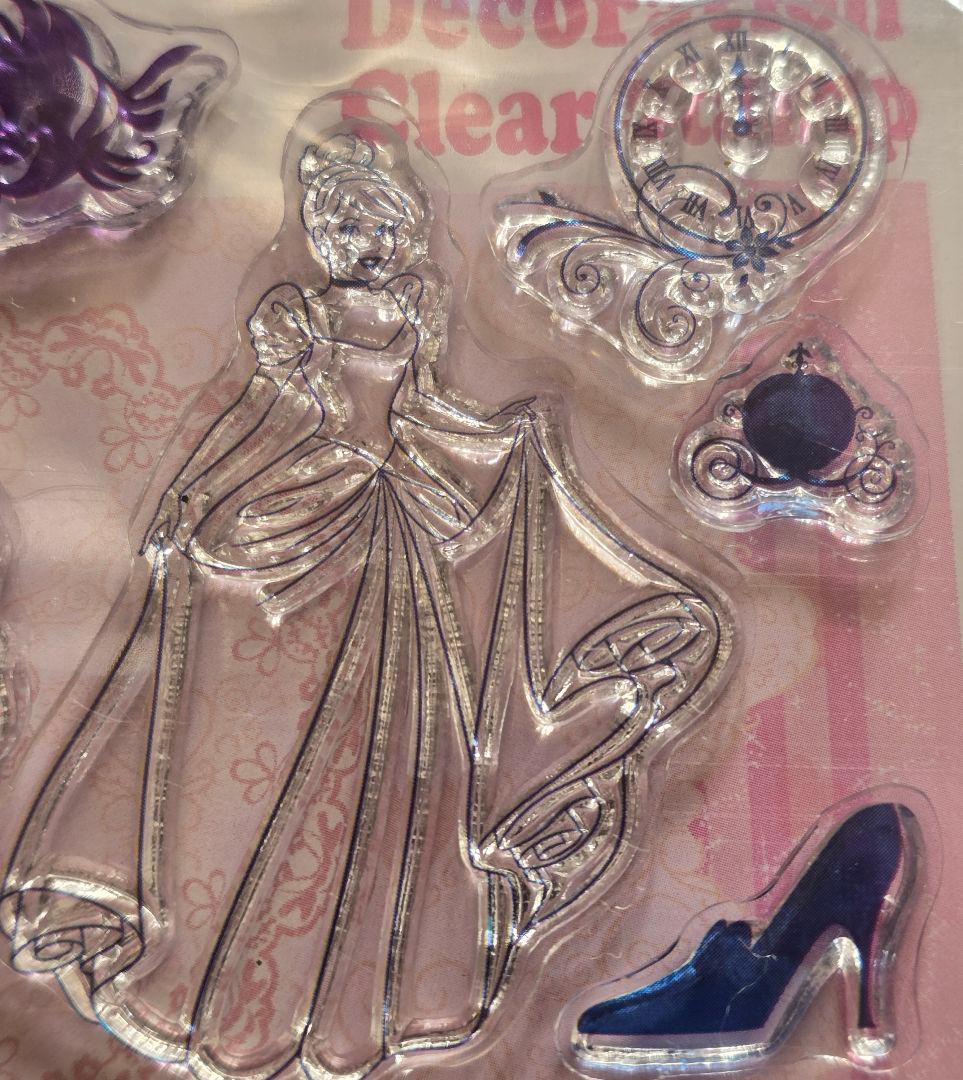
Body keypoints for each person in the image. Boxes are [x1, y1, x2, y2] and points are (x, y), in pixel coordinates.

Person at [1, 125, 734, 1080]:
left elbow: (419, 411)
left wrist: (497, 439)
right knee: (275, 743)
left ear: (407, 229)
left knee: (392, 757)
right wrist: (195, 499)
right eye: (342, 225)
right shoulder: (297, 317)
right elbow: (261, 418)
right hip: (303, 506)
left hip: (392, 521)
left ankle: (349, 987)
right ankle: (210, 965)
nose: (361, 241)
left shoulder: (418, 309)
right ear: (318, 233)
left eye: (377, 224)